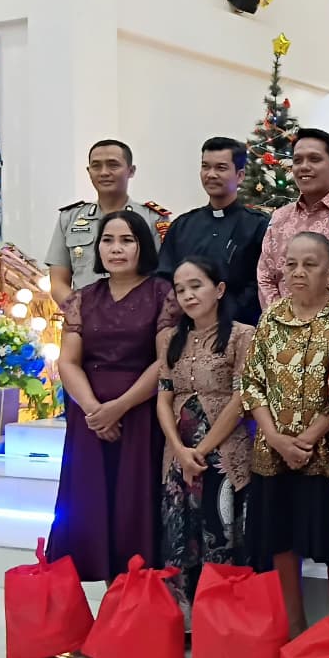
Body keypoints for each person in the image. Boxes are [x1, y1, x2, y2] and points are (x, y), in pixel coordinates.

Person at [46, 209, 179, 581]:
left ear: (143, 246)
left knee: (133, 506)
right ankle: (108, 598)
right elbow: (68, 361)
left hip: (140, 414)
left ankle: (137, 599)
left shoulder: (163, 293)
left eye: (126, 240)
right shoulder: (82, 298)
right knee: (91, 504)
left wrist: (119, 407)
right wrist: (94, 410)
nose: (116, 249)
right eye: (107, 240)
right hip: (88, 419)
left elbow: (164, 361)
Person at [241, 232, 329, 637]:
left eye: (309, 264)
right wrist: (276, 438)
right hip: (274, 453)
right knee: (281, 540)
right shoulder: (271, 317)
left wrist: (309, 438)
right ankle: (294, 627)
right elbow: (251, 383)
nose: (298, 272)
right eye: (291, 264)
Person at [156, 257, 256, 625]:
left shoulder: (243, 335)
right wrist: (180, 450)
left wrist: (201, 449)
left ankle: (221, 627)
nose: (187, 295)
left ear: (220, 289)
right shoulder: (169, 339)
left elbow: (241, 399)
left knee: (222, 534)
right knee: (178, 536)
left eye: (196, 285)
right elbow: (163, 398)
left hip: (225, 455)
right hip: (177, 455)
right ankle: (181, 624)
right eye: (180, 289)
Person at [157, 137, 269, 326]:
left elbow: (261, 283)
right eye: (205, 167)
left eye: (221, 168)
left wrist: (221, 315)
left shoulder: (258, 225)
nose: (211, 174)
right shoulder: (182, 225)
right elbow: (164, 278)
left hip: (239, 327)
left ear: (240, 175)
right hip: (186, 328)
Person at [47, 139, 171, 307]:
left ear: (131, 171)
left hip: (139, 315)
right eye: (96, 166)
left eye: (113, 165)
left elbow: (164, 279)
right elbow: (58, 282)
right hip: (83, 315)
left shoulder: (153, 218)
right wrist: (79, 313)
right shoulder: (70, 218)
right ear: (88, 171)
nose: (104, 172)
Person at [257, 128, 329, 308]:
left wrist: (311, 318)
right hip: (279, 322)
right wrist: (281, 318)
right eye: (297, 160)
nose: (304, 166)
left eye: (314, 159)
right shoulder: (280, 217)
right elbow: (265, 277)